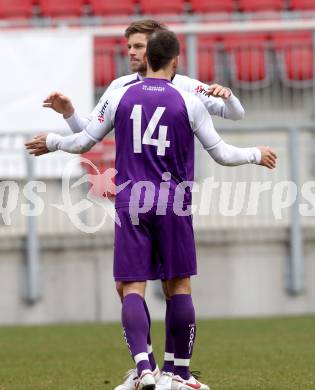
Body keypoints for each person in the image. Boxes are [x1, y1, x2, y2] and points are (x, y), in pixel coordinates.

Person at [26, 29, 277, 390]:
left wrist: (52, 141)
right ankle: (179, 374)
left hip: (130, 200)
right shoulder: (187, 99)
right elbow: (221, 153)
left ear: (149, 57)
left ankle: (145, 370)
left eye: (136, 47)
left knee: (130, 287)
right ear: (175, 59)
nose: (131, 52)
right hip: (172, 201)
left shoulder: (121, 96)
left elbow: (84, 140)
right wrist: (255, 153)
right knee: (179, 286)